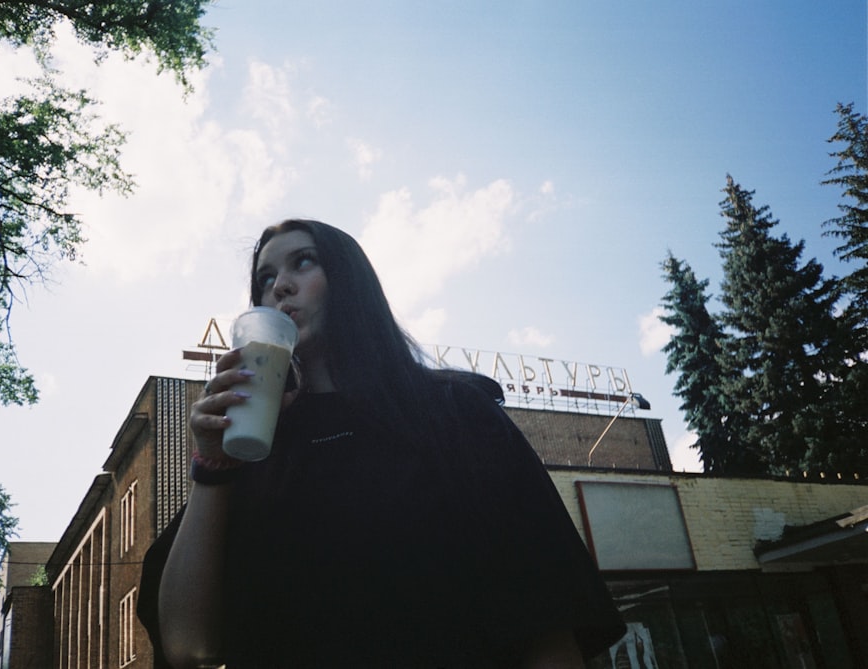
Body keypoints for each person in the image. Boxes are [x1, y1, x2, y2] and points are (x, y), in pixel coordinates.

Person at [138, 219, 625, 668]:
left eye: (302, 262)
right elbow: (188, 646)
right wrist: (213, 467)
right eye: (265, 279)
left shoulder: (455, 414)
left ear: (351, 282)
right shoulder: (257, 451)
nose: (279, 286)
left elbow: (548, 623)